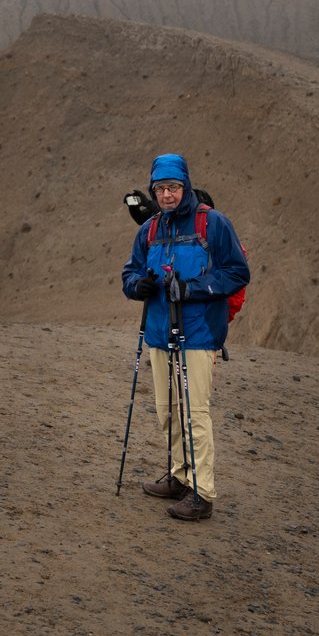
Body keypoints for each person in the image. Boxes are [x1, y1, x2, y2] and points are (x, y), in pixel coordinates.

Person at [120, 153, 250, 522]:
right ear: (153, 191)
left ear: (185, 186)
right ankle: (180, 476)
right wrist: (137, 285)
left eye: (173, 187)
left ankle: (202, 493)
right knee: (168, 411)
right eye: (160, 188)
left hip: (199, 332)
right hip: (160, 333)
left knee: (194, 414)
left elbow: (237, 272)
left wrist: (194, 288)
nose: (167, 195)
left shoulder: (213, 223)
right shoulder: (149, 230)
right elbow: (129, 272)